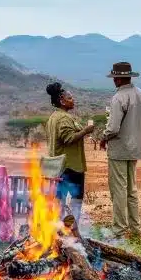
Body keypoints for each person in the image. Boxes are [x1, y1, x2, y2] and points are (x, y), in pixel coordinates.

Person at [100, 62, 141, 239]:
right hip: (136, 147)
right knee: (132, 188)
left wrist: (104, 137)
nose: (114, 81)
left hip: (120, 149)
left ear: (119, 78)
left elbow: (113, 128)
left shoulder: (118, 98)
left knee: (119, 189)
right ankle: (136, 228)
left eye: (115, 77)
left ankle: (119, 229)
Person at [45, 82, 95, 221]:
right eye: (69, 98)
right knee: (76, 198)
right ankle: (73, 227)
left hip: (59, 165)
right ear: (62, 101)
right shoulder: (63, 118)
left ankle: (58, 228)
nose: (73, 100)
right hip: (70, 166)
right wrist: (86, 131)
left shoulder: (54, 117)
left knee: (59, 198)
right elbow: (68, 138)